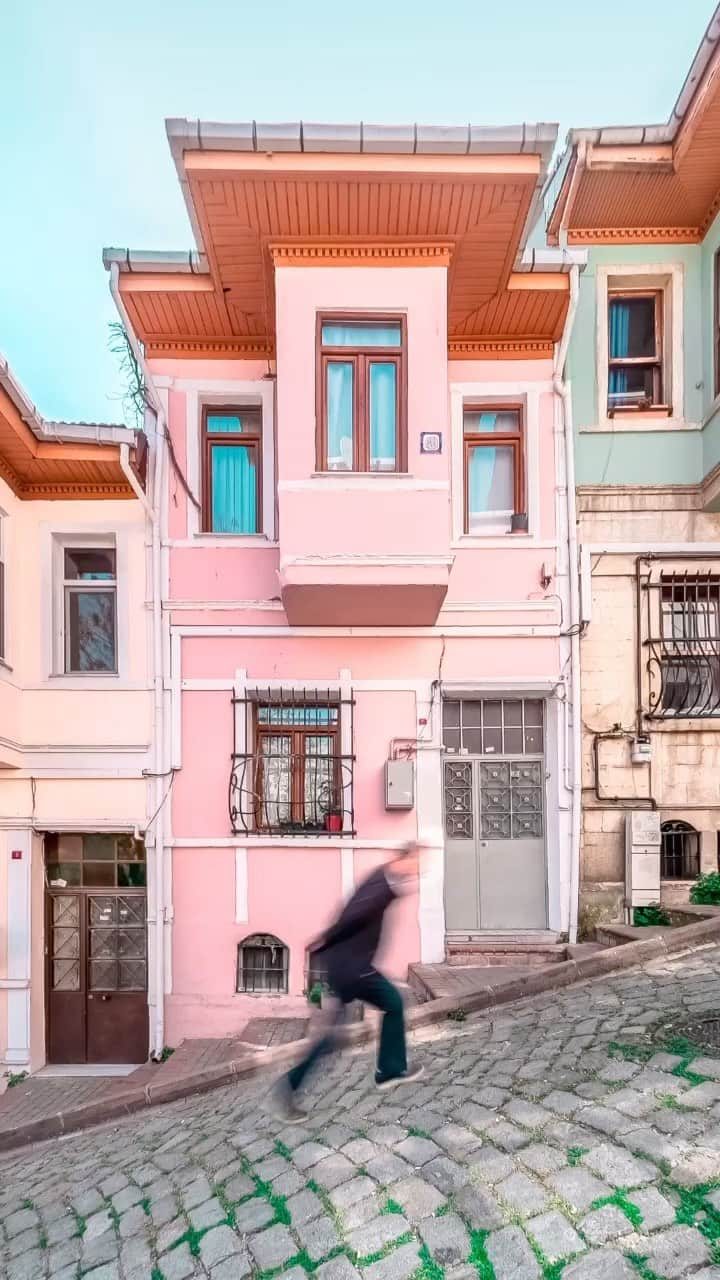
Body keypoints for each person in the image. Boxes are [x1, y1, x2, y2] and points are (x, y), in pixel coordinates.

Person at [274, 843, 424, 1121]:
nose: (419, 870)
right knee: (392, 1002)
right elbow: (353, 915)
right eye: (417, 863)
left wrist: (324, 941)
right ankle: (389, 1071)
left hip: (346, 966)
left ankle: (289, 1086)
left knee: (331, 1037)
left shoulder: (382, 880)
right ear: (405, 860)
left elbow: (350, 911)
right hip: (353, 969)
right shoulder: (381, 887)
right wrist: (326, 940)